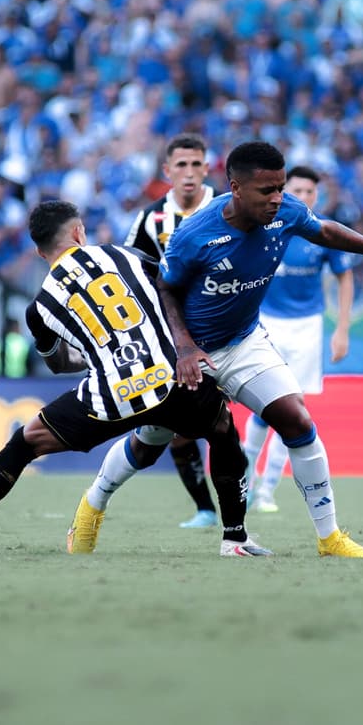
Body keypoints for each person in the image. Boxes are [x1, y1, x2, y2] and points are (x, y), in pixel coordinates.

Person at [70, 141, 363, 559]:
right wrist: (186, 348)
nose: (278, 198)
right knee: (151, 442)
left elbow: (325, 230)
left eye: (281, 187)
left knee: (297, 421)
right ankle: (93, 504)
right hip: (191, 354)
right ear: (236, 188)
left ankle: (329, 537)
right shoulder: (195, 234)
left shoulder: (286, 213)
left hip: (245, 342)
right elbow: (167, 290)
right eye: (268, 190)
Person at [0, 200, 270, 558]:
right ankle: (234, 538)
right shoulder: (123, 255)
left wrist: (93, 353)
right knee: (222, 430)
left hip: (112, 394)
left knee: (23, 444)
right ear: (79, 232)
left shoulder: (41, 306)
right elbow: (175, 293)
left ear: (38, 250)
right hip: (172, 377)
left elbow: (59, 364)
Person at [243, 165, 354, 513]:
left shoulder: (322, 232)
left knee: (293, 409)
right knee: (265, 407)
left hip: (307, 327)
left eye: (310, 192)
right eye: (298, 191)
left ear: (316, 196)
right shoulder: (267, 226)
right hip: (267, 324)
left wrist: (342, 329)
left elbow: (345, 278)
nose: (303, 197)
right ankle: (243, 480)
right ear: (284, 191)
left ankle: (266, 489)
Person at [124, 132, 220, 529]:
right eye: (181, 165)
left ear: (207, 167)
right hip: (173, 336)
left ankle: (248, 499)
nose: (189, 173)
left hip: (225, 331)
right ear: (167, 171)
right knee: (180, 428)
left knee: (225, 424)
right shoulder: (151, 218)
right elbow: (132, 266)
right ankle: (205, 510)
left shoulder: (225, 207)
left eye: (196, 164)